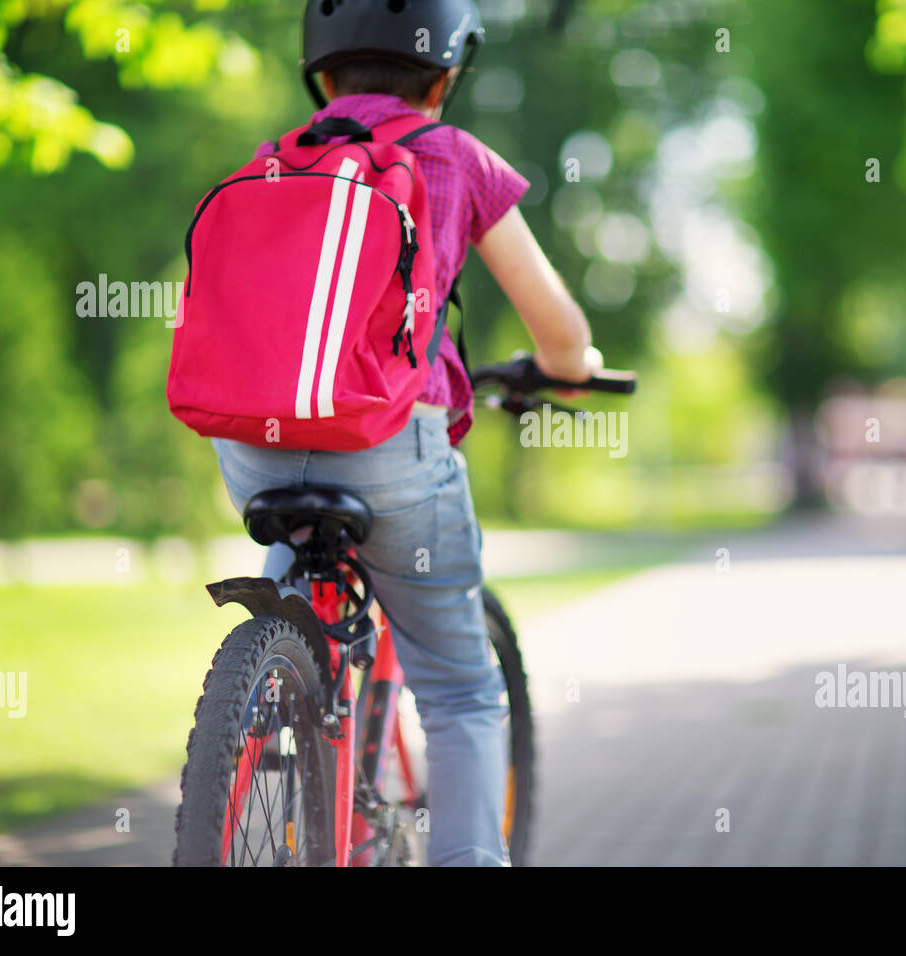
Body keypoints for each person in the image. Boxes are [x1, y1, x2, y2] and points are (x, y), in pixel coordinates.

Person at [210, 0, 602, 866]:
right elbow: (559, 330)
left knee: (296, 623)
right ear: (449, 70)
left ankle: (270, 712)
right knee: (463, 691)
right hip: (392, 452)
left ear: (319, 71)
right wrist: (571, 364)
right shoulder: (455, 157)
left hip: (253, 451)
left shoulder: (280, 160)